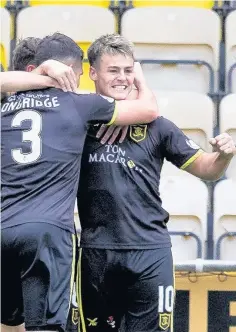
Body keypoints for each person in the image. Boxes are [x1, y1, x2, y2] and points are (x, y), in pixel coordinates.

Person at [75, 34, 236, 332]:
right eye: (113, 71)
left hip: (150, 253)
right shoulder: (78, 123)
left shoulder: (158, 125)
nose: (121, 78)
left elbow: (207, 169)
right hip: (96, 253)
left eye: (127, 71)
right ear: (93, 73)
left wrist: (223, 156)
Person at [1, 33, 159, 332]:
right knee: (46, 327)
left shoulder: (5, 104)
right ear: (75, 73)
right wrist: (137, 74)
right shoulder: (79, 104)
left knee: (9, 322)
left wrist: (41, 77)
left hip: (3, 227)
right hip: (48, 232)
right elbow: (148, 109)